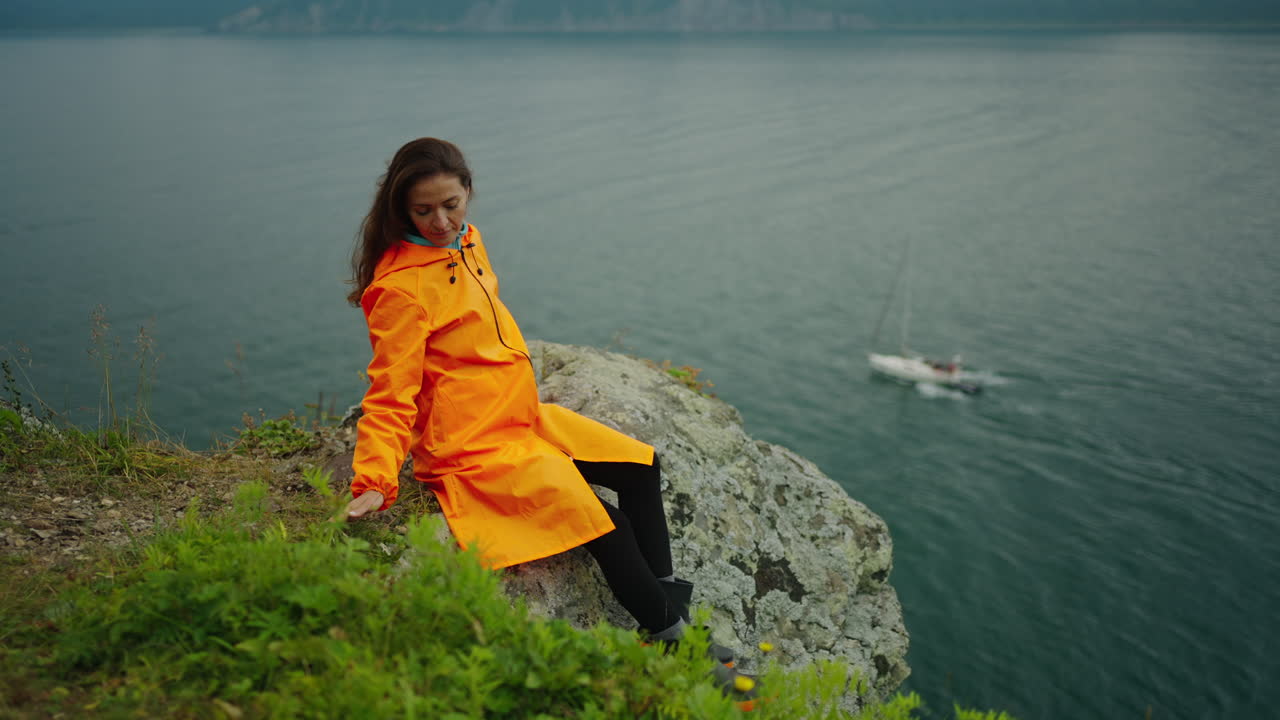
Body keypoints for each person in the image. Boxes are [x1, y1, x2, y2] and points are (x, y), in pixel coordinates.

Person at [342, 138, 755, 704]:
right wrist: (373, 480)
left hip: (520, 415)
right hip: (471, 444)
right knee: (602, 521)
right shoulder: (400, 290)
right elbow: (390, 394)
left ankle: (670, 613)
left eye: (451, 205)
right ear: (400, 209)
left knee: (642, 466)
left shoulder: (467, 242)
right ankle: (674, 639)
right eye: (423, 211)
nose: (441, 221)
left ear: (468, 194)